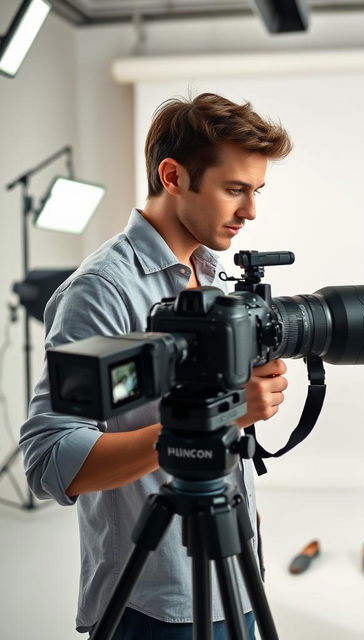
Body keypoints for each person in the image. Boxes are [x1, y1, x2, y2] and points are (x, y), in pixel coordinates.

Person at [19, 93, 292, 639]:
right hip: (153, 600)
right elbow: (49, 460)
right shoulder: (101, 290)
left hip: (235, 573)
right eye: (235, 189)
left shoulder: (214, 274)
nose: (251, 211)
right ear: (173, 176)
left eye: (256, 191)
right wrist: (225, 415)